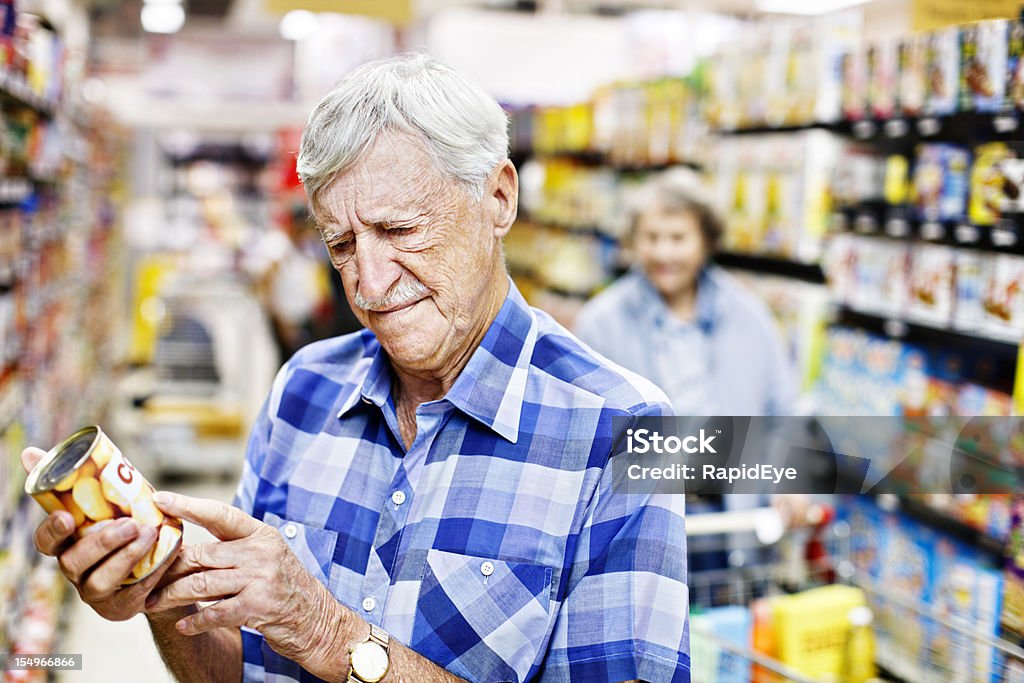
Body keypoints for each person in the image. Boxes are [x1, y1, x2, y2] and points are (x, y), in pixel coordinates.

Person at [23, 54, 689, 683]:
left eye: (400, 230)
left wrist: (329, 635)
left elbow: (316, 632)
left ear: (498, 199)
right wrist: (165, 593)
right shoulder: (304, 389)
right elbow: (241, 669)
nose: (367, 282)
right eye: (340, 244)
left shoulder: (629, 428)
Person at [573, 168, 796, 417]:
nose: (663, 253)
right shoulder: (601, 324)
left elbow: (784, 411)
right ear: (633, 240)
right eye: (652, 237)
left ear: (706, 241)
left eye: (678, 238)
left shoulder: (748, 315)